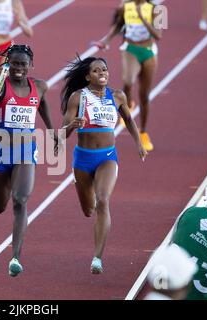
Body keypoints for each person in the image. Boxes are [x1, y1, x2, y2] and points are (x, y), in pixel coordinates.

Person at [0, 44, 57, 277]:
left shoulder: (39, 86)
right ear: (8, 65)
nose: (19, 68)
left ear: (30, 65)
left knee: (20, 201)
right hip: (1, 151)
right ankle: (9, 181)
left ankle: (15, 257)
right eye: (15, 64)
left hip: (26, 150)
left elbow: (42, 103)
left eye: (23, 64)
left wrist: (51, 131)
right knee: (0, 206)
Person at [60, 56, 147, 274]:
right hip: (83, 158)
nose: (102, 74)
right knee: (88, 210)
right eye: (97, 71)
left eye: (105, 70)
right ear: (88, 76)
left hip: (107, 157)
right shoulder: (78, 97)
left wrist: (138, 143)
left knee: (103, 201)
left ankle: (97, 258)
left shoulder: (117, 96)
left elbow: (128, 120)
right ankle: (79, 182)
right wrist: (73, 125)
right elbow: (61, 133)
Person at [93, 0, 162, 152]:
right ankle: (128, 104)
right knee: (128, 81)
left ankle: (143, 133)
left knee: (144, 96)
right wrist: (106, 40)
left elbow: (158, 35)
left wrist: (142, 18)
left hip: (149, 52)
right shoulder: (125, 6)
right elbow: (118, 25)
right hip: (130, 49)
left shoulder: (157, 10)